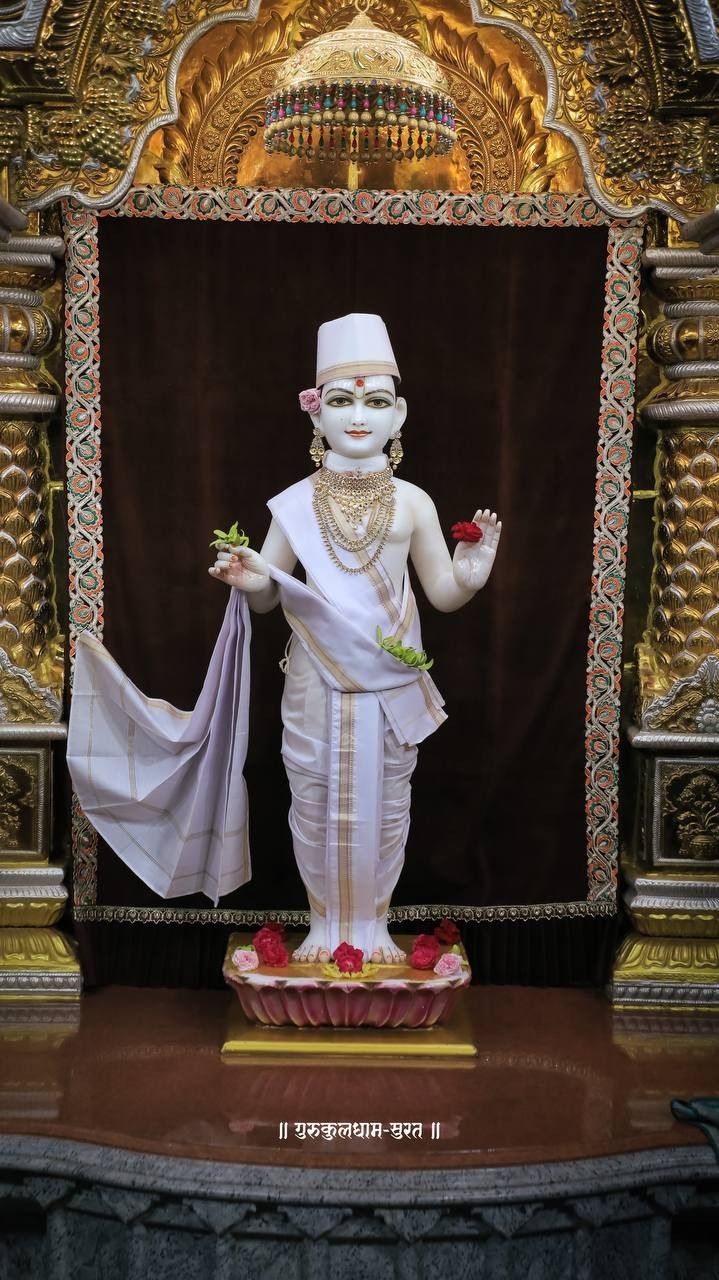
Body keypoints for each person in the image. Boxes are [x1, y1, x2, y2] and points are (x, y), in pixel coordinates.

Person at [210, 313, 501, 963]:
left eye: (374, 402)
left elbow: (443, 595)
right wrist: (245, 577)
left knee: (385, 802)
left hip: (388, 680)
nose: (357, 416)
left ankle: (370, 929)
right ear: (315, 419)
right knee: (313, 796)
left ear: (399, 416)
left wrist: (471, 575)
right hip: (316, 674)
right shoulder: (292, 505)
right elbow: (266, 597)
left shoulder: (414, 503)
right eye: (340, 402)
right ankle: (323, 927)